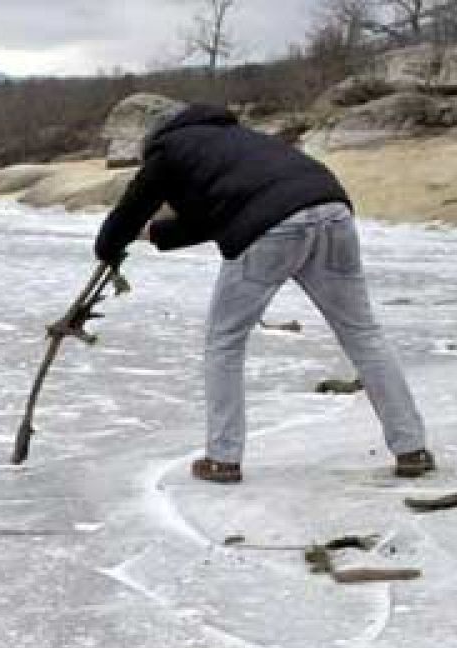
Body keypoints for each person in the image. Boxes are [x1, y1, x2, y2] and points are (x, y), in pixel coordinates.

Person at [93, 102, 435, 484]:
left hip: (275, 227)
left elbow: (132, 207)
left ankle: (223, 458)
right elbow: (228, 212)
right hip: (332, 210)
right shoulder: (240, 140)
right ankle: (412, 448)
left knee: (224, 340)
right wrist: (155, 236)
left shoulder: (170, 148)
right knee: (363, 334)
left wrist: (108, 248)